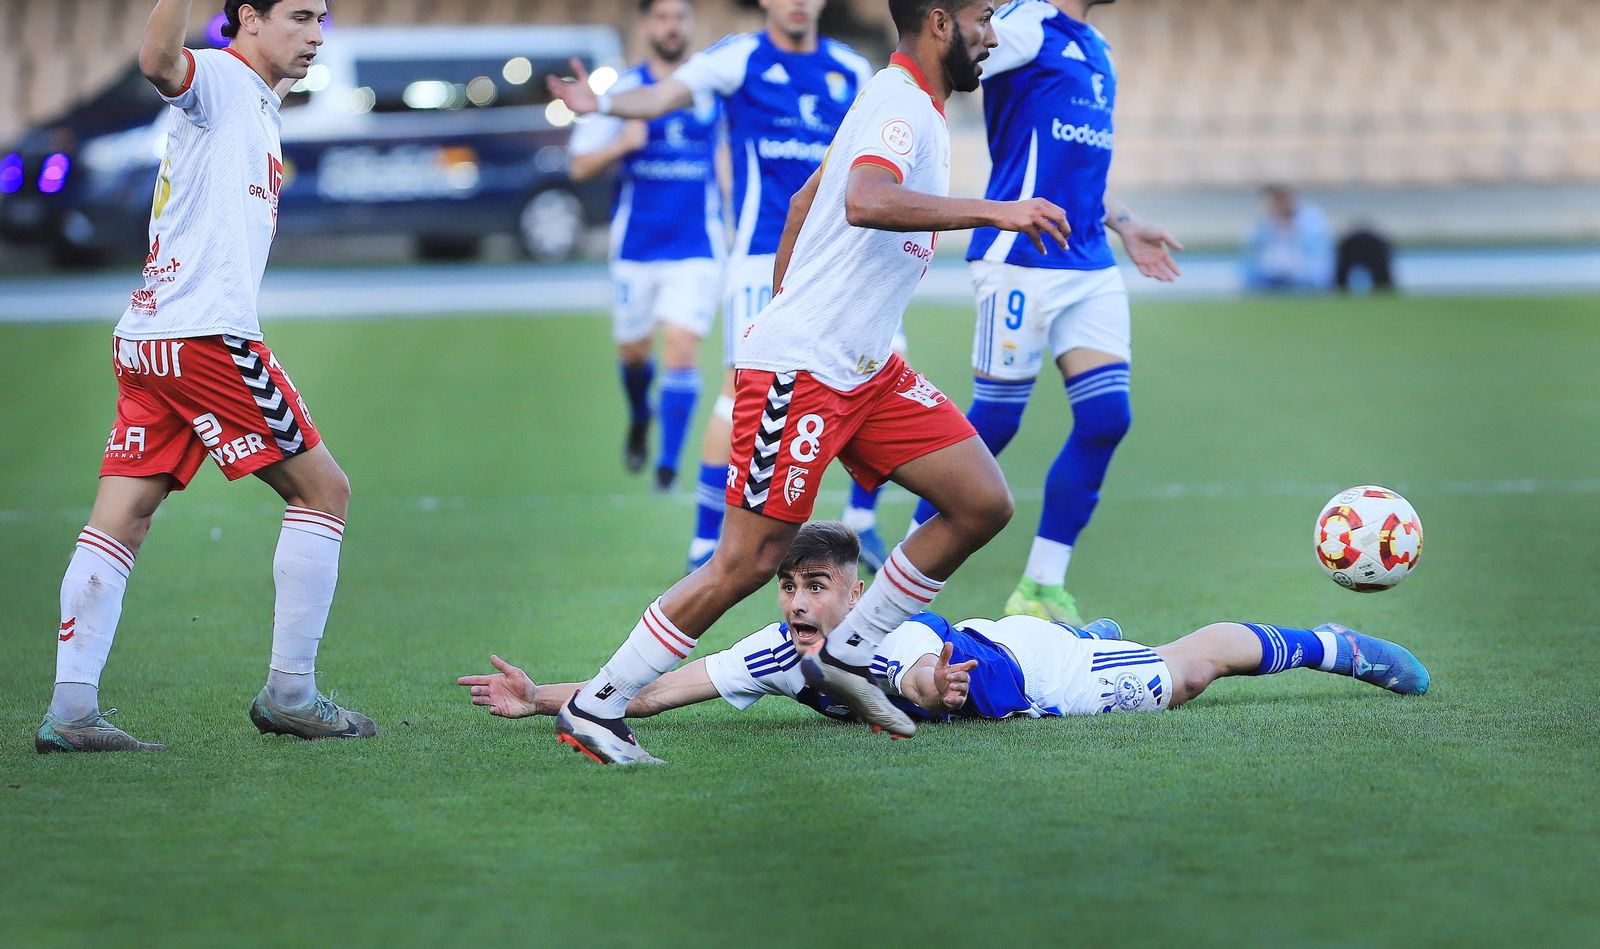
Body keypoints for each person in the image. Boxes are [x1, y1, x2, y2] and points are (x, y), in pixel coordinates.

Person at [540, 0, 1072, 765]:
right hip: (805, 372)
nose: (994, 36)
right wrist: (1000, 211)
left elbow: (803, 202)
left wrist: (794, 303)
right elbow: (864, 200)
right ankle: (598, 703)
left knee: (981, 500)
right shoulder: (898, 104)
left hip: (868, 370)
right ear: (941, 24)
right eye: (984, 19)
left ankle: (853, 650)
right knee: (748, 561)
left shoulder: (896, 99)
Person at [35, 0, 375, 753]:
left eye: (323, 17)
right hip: (207, 339)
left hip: (148, 340)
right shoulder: (220, 77)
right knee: (325, 490)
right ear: (247, 20)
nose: (317, 33)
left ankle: (71, 710)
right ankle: (292, 693)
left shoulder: (254, 98)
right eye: (298, 16)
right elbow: (161, 62)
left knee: (120, 518)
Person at [457, 523, 1430, 729]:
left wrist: (934, 687)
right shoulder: (772, 648)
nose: (796, 605)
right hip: (987, 648)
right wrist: (542, 694)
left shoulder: (893, 634)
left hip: (1027, 670)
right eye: (787, 586)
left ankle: (1342, 647)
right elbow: (661, 686)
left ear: (857, 592)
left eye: (816, 588)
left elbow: (921, 674)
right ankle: (1101, 632)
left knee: (1190, 669)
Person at [548, 0, 890, 573]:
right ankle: (706, 542)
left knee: (875, 373)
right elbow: (660, 98)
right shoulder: (737, 60)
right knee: (740, 397)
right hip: (761, 257)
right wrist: (600, 104)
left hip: (839, 259)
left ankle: (862, 520)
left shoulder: (852, 70)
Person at [908, 0, 1183, 626]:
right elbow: (944, 58)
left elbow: (1077, 162)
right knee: (995, 426)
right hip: (1019, 258)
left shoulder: (1098, 47)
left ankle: (1040, 588)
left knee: (1107, 418)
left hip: (1088, 260)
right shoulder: (1026, 22)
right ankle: (901, 575)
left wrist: (1126, 224)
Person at [566, 0, 723, 490]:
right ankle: (640, 416)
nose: (672, 27)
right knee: (635, 355)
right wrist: (619, 144)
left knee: (681, 347)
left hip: (698, 244)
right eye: (661, 17)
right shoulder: (625, 90)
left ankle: (668, 465)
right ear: (646, 25)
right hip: (637, 247)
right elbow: (578, 166)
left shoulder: (711, 89)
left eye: (680, 17)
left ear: (690, 24)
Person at [1243, 183, 1333, 292]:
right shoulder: (1267, 221)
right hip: (1270, 276)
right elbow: (1255, 249)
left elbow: (1317, 250)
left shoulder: (1310, 218)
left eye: (1280, 199)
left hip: (1305, 275)